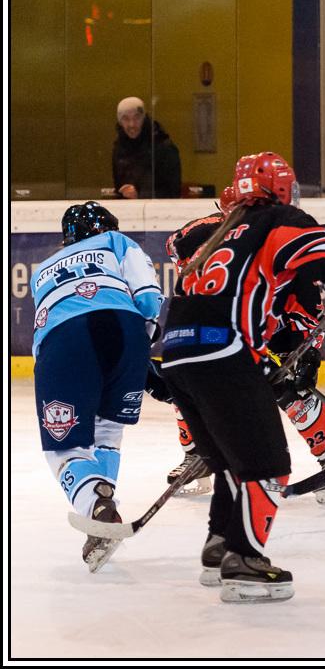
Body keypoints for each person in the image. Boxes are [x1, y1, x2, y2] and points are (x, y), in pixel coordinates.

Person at [159, 152, 325, 603]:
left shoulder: (214, 232)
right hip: (223, 350)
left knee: (232, 463)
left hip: (175, 352)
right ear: (280, 190)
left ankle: (219, 548)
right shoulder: (274, 220)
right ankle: (245, 561)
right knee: (269, 465)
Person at [152, 191, 325, 505]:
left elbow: (307, 311)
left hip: (274, 326)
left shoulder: (282, 243)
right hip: (228, 323)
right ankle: (199, 456)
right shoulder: (199, 237)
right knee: (192, 379)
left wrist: (307, 355)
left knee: (290, 390)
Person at [30, 202, 163, 572]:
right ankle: (103, 507)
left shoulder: (40, 271)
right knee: (107, 430)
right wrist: (142, 349)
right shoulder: (116, 243)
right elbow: (148, 296)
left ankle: (97, 508)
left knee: (65, 447)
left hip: (64, 341)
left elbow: (44, 329)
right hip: (126, 332)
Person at [112, 96, 182, 199]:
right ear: (120, 122)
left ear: (144, 118)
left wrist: (140, 195)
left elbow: (173, 191)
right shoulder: (119, 149)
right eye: (126, 119)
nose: (132, 124)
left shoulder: (163, 147)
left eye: (137, 117)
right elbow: (119, 187)